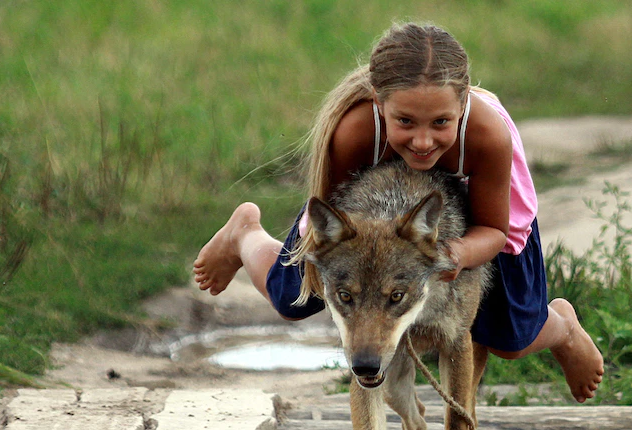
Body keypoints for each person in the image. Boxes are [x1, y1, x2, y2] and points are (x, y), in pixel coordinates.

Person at [194, 22, 604, 402]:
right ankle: (244, 233)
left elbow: (494, 229)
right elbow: (334, 219)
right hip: (377, 214)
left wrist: (456, 254)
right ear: (379, 102)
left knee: (510, 337)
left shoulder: (486, 134)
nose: (423, 141)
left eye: (441, 122)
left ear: (463, 102)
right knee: (292, 300)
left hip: (483, 219)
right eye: (405, 121)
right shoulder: (355, 131)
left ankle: (564, 327)